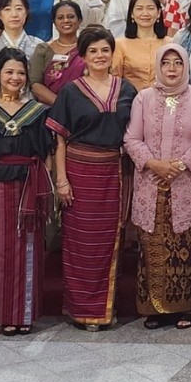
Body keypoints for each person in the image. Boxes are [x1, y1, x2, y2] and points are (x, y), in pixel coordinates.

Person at [47, 27, 138, 330]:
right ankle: (81, 309)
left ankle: (105, 309)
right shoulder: (70, 92)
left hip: (115, 172)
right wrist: (61, 180)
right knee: (80, 244)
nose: (100, 56)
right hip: (79, 172)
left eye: (105, 50)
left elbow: (135, 134)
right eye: (93, 51)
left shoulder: (127, 90)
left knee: (109, 242)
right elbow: (59, 139)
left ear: (113, 54)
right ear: (83, 56)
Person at [124, 45, 191, 330]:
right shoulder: (143, 98)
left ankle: (186, 308)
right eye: (167, 63)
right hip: (151, 185)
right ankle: (154, 308)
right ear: (159, 67)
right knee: (151, 248)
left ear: (186, 66)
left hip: (188, 186)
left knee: (187, 247)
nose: (172, 68)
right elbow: (131, 139)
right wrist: (154, 164)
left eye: (178, 63)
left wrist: (178, 165)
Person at [0, 48, 54, 335]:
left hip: (29, 186)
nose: (15, 77)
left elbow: (47, 154)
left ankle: (25, 314)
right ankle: (5, 314)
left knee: (28, 250)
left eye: (20, 72)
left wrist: (48, 186)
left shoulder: (37, 113)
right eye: (9, 72)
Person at [112, 0, 173, 91]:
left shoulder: (170, 43)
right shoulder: (119, 44)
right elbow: (115, 79)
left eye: (150, 8)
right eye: (139, 9)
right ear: (132, 14)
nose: (145, 13)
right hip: (131, 101)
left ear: (158, 13)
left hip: (165, 99)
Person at [29, 1, 86, 106]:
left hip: (82, 108)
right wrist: (61, 106)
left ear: (79, 20)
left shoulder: (88, 49)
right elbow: (35, 84)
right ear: (54, 23)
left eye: (71, 17)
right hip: (50, 110)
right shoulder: (43, 49)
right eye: (60, 18)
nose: (66, 20)